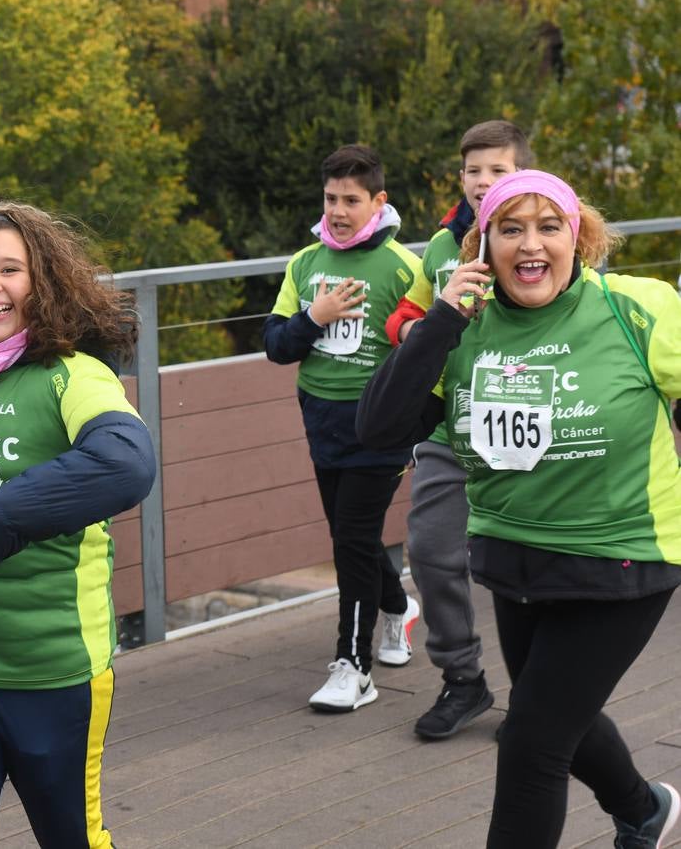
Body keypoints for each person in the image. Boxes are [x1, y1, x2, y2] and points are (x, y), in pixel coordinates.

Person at [357, 170, 681, 848]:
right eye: (510, 229)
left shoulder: (638, 310)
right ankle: (644, 810)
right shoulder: (462, 330)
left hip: (621, 560)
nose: (529, 245)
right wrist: (439, 319)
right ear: (484, 248)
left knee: (532, 738)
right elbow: (380, 429)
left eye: (548, 227)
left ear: (578, 238)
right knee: (561, 711)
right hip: (514, 560)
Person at [0, 202, 156, 848]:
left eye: (10, 269)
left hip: (52, 674)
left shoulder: (74, 376)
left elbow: (125, 464)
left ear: (42, 279)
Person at [382, 120, 532, 739]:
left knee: (530, 563)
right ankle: (463, 680)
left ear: (520, 173)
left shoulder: (545, 235)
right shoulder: (444, 245)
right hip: (453, 422)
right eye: (473, 170)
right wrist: (421, 330)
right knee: (432, 552)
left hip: (533, 418)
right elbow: (404, 317)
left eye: (497, 170)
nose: (482, 181)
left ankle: (538, 696)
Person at [263, 144, 424, 712]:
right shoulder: (305, 264)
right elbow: (276, 346)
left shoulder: (405, 267)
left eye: (351, 200)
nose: (338, 210)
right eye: (330, 198)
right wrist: (315, 317)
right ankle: (398, 607)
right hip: (322, 423)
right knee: (350, 539)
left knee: (351, 541)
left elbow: (423, 348)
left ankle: (353, 668)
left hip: (378, 428)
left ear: (378, 202)